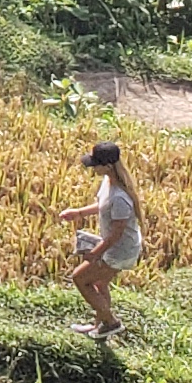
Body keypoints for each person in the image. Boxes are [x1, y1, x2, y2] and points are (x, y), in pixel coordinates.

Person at [59, 138, 140, 343]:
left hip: (120, 250)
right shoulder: (108, 182)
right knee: (99, 282)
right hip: (116, 246)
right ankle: (100, 325)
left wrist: (96, 253)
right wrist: (78, 212)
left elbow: (116, 233)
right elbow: (101, 206)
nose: (93, 168)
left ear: (107, 166)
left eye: (96, 164)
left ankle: (111, 322)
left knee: (80, 278)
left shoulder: (120, 197)